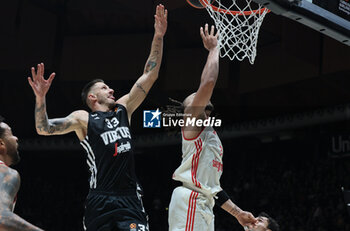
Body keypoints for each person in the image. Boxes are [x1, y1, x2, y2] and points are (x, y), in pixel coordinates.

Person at [27, 4, 167, 231]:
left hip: (130, 198)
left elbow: (149, 74)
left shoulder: (123, 109)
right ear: (93, 97)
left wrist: (158, 35)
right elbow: (44, 129)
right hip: (100, 199)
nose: (111, 90)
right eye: (105, 88)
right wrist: (41, 98)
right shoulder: (83, 119)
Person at [168, 24, 257, 231]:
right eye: (195, 97)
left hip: (204, 202)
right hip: (191, 198)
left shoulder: (212, 136)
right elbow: (207, 83)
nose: (198, 96)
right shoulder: (191, 121)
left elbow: (213, 188)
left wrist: (237, 213)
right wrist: (214, 49)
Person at [0, 116, 44, 231]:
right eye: (11, 134)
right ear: (1, 143)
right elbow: (1, 218)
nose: (16, 138)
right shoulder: (5, 172)